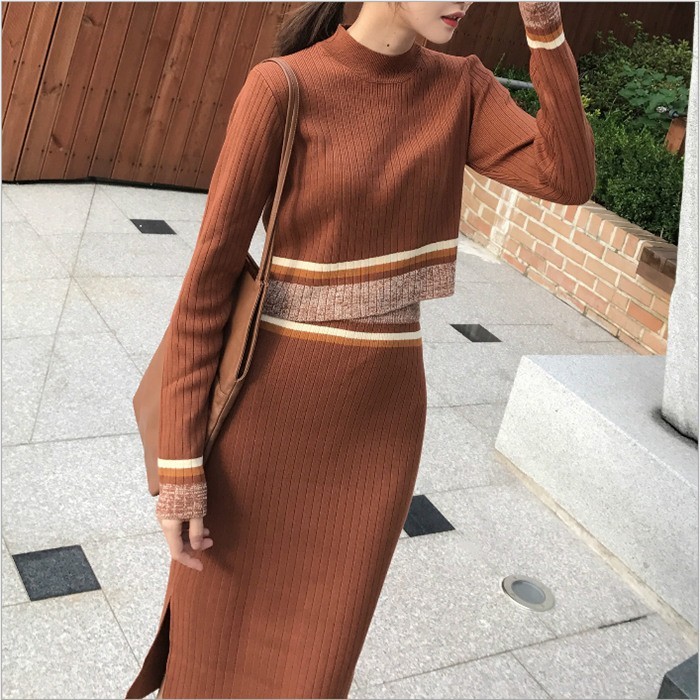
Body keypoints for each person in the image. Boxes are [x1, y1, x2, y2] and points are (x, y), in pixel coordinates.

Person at [126, 1, 595, 697]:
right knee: (213, 653)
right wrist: (180, 472)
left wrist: (546, 28)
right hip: (264, 426)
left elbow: (567, 177)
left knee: (317, 670)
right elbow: (207, 285)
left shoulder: (461, 86)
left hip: (378, 431)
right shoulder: (282, 87)